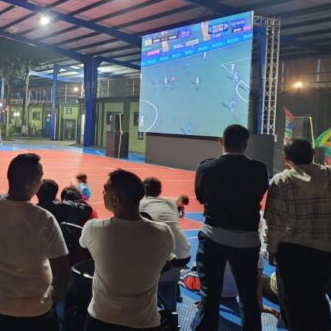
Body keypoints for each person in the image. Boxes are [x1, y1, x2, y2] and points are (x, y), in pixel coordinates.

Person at [0, 153, 69, 331]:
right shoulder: (44, 219)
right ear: (32, 183)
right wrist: (53, 297)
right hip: (35, 312)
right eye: (40, 178)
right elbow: (62, 274)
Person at [264, 138, 331, 330]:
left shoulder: (282, 181)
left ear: (286, 158)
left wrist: (271, 249)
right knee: (317, 299)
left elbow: (273, 222)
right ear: (313, 154)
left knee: (293, 305)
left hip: (290, 252)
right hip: (324, 251)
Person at [194, 124, 269, 331]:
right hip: (247, 241)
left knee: (210, 294)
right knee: (248, 296)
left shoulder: (206, 168)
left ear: (221, 142)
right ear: (246, 144)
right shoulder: (259, 169)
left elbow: (201, 196)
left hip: (213, 238)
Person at [80, 169, 174, 331]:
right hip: (145, 323)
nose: (103, 195)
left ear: (115, 199)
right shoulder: (163, 232)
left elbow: (83, 244)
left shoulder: (94, 229)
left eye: (105, 191)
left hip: (101, 319)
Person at [140, 177, 191, 328]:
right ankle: (174, 293)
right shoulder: (171, 204)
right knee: (169, 273)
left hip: (165, 256)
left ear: (143, 191)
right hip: (184, 253)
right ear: (160, 190)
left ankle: (160, 309)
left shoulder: (140, 205)